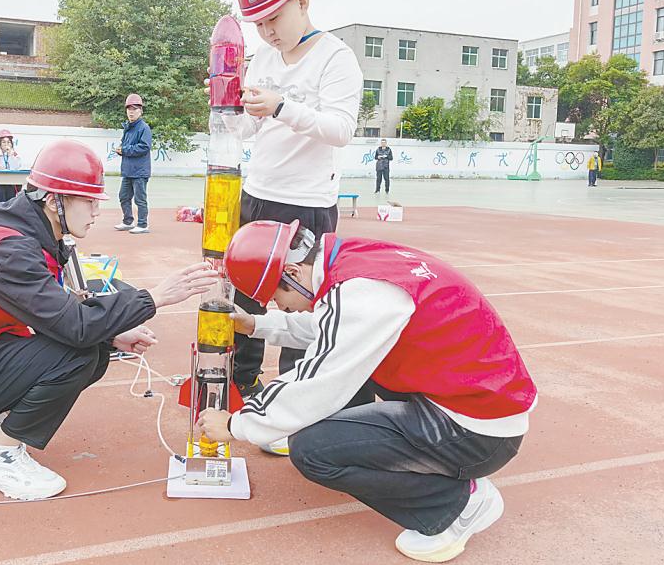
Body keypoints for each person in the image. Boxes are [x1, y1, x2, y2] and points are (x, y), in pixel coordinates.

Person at [196, 219, 537, 563]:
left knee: (312, 451)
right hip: (472, 402)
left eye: (276, 297)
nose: (281, 307)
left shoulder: (364, 292)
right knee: (351, 372)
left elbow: (319, 381)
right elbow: (336, 326)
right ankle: (391, 451)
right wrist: (257, 325)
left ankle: (457, 505)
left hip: (475, 434)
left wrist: (236, 424)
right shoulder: (353, 260)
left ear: (294, 272)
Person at [0, 139, 218, 501]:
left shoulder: (27, 240)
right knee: (78, 353)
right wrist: (155, 297)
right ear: (54, 201)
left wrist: (111, 336)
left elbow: (57, 316)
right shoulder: (11, 252)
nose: (97, 211)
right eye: (89, 201)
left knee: (93, 350)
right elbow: (76, 327)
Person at [213, 0, 363, 452]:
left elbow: (341, 129)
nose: (268, 33)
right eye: (258, 25)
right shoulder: (263, 58)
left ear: (303, 0)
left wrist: (282, 106)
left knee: (299, 303)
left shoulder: (336, 58)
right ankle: (244, 388)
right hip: (257, 196)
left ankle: (292, 408)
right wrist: (230, 105)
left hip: (306, 205)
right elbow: (247, 129)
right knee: (245, 299)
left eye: (274, 19)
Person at [113, 94, 153, 234]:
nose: (131, 112)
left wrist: (125, 150)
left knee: (140, 199)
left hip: (140, 171)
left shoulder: (144, 128)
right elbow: (127, 146)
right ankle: (127, 221)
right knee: (123, 196)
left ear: (140, 111)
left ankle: (142, 224)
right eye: (129, 109)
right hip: (128, 170)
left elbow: (144, 147)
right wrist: (121, 150)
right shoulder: (128, 127)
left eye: (134, 109)